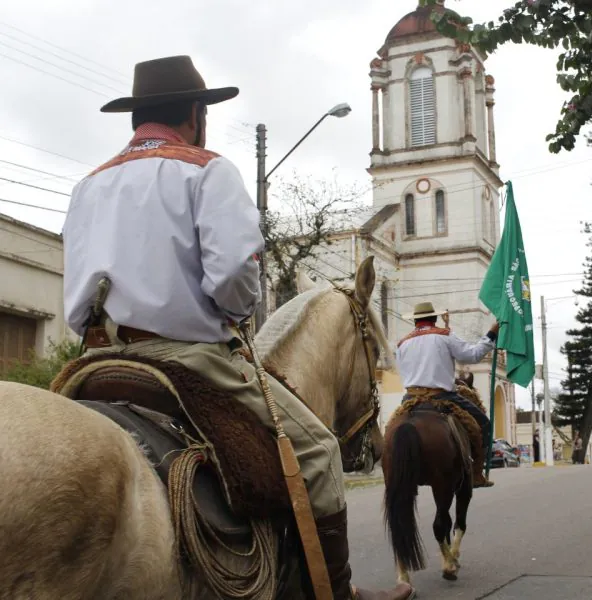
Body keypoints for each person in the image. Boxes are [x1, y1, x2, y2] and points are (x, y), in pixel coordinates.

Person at [61, 55, 413, 600]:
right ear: (197, 114)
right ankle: (336, 594)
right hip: (186, 358)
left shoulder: (88, 185)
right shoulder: (206, 170)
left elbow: (74, 306)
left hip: (96, 360)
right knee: (318, 453)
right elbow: (234, 282)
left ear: (138, 116)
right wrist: (233, 311)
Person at [395, 301, 499, 488]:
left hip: (409, 399)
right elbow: (473, 355)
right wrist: (491, 334)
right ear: (434, 318)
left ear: (415, 321)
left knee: (391, 428)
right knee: (484, 423)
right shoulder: (444, 336)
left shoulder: (402, 343)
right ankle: (476, 473)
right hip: (441, 396)